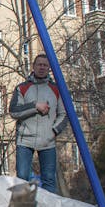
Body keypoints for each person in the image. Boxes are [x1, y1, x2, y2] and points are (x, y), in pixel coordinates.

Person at [9, 53, 67, 194]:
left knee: (49, 179)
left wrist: (54, 131)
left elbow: (64, 114)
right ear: (33, 67)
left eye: (45, 65)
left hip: (48, 141)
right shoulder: (22, 88)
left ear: (49, 68)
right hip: (25, 140)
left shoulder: (56, 89)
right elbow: (14, 111)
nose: (42, 67)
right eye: (39, 64)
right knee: (22, 178)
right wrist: (35, 106)